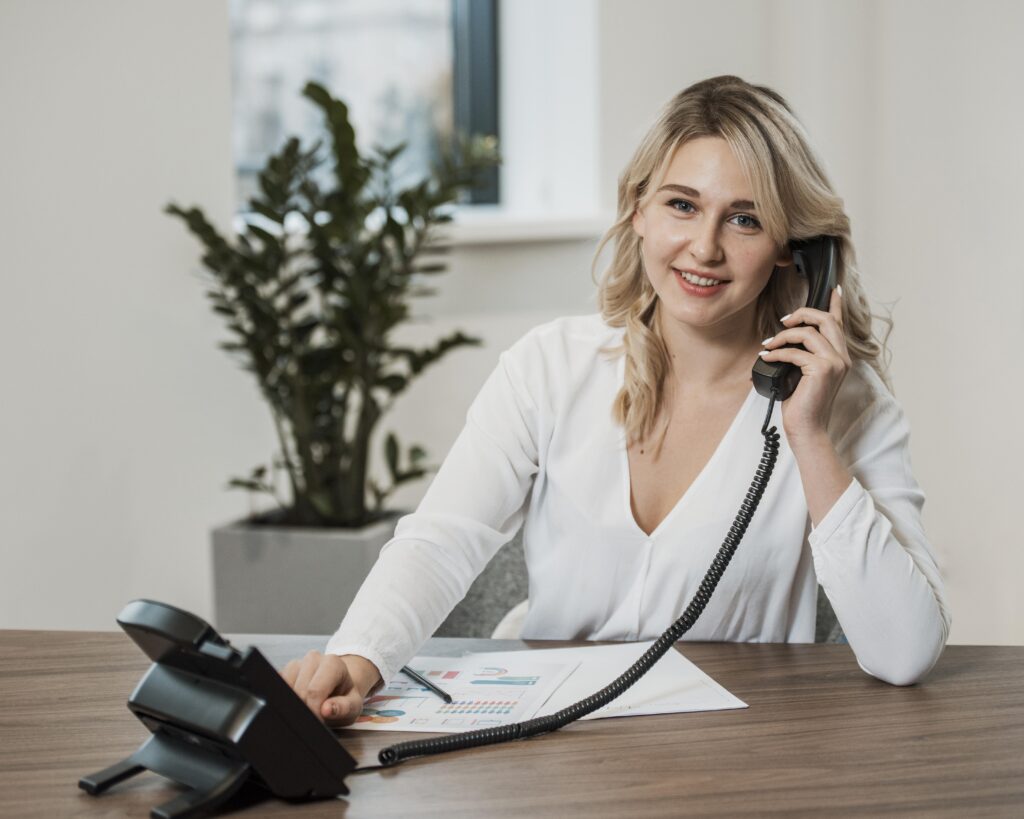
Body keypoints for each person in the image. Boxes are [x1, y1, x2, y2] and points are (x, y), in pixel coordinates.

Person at [282, 75, 951, 726]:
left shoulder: (843, 406)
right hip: (551, 738)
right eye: (681, 205)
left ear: (792, 249)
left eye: (745, 219)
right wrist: (358, 654)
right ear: (638, 209)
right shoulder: (550, 367)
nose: (705, 247)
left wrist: (808, 434)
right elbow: (441, 541)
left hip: (736, 757)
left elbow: (904, 651)